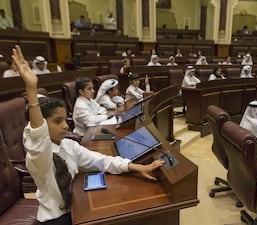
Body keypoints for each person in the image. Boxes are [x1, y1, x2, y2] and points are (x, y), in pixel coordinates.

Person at [11, 45, 164, 225]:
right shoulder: (38, 156)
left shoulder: (69, 146)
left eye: (63, 119)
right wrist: (31, 89)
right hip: (55, 218)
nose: (65, 125)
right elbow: (38, 137)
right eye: (57, 121)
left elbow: (101, 161)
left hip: (76, 206)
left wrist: (135, 167)